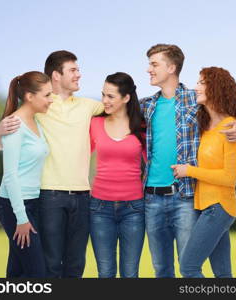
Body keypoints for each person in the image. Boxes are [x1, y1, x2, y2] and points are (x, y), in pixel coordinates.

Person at [140, 44, 236, 277]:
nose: (148, 69)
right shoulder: (146, 106)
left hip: (185, 196)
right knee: (161, 269)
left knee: (188, 265)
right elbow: (114, 107)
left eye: (154, 64)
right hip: (151, 197)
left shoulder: (194, 99)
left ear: (171, 67)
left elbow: (235, 113)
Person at [0, 51, 104, 278]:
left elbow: (119, 105)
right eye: (73, 70)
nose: (79, 75)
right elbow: (10, 142)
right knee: (47, 266)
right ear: (56, 75)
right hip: (47, 196)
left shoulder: (88, 106)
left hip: (82, 195)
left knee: (74, 266)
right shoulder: (40, 106)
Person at [172, 67, 236, 278]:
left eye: (202, 83)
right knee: (223, 275)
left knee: (188, 267)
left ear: (216, 88)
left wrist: (190, 171)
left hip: (219, 207)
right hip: (206, 208)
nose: (196, 87)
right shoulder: (205, 126)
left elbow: (229, 178)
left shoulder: (229, 127)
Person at [0, 71, 53, 278]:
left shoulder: (36, 122)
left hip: (33, 203)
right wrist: (21, 218)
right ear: (30, 96)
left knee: (18, 270)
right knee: (37, 274)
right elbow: (10, 176)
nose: (51, 100)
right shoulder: (15, 125)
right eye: (47, 95)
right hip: (14, 206)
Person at [89, 72, 146, 278]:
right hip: (99, 209)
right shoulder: (94, 123)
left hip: (134, 209)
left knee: (130, 274)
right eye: (103, 94)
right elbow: (78, 157)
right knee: (105, 273)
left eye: (111, 96)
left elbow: (153, 163)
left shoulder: (141, 127)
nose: (104, 100)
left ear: (126, 98)